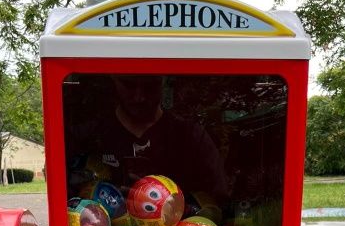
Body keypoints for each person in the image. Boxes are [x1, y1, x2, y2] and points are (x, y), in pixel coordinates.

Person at [67, 74, 229, 205]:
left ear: (163, 81)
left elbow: (217, 200)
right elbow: (66, 197)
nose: (139, 97)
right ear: (113, 80)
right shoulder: (87, 137)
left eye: (150, 86)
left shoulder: (191, 138)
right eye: (128, 85)